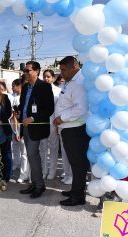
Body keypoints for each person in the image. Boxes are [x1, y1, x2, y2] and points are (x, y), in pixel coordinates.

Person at [54, 56, 90, 206]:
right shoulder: (71, 81)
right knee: (75, 163)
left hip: (75, 129)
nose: (61, 73)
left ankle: (78, 196)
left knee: (78, 164)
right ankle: (76, 190)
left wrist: (61, 118)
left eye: (63, 70)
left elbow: (80, 108)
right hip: (68, 128)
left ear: (73, 67)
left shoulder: (79, 83)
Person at [18, 61, 54, 199]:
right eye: (25, 71)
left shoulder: (44, 86)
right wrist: (19, 112)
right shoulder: (25, 87)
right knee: (31, 156)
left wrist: (32, 118)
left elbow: (49, 109)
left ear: (37, 71)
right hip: (25, 126)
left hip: (36, 126)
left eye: (28, 71)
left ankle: (39, 185)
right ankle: (35, 183)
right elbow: (23, 105)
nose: (25, 73)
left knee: (33, 155)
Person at [39, 69, 71, 181]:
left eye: (48, 76)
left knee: (53, 148)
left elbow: (60, 108)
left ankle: (52, 171)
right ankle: (44, 170)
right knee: (42, 148)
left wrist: (58, 123)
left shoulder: (58, 91)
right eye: (44, 76)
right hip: (41, 123)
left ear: (53, 78)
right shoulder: (39, 90)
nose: (46, 79)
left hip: (54, 123)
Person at [10, 78, 30, 183]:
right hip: (20, 128)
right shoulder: (16, 98)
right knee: (23, 152)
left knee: (29, 153)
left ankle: (29, 174)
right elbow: (15, 116)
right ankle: (23, 174)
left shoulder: (30, 96)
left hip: (30, 127)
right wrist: (17, 131)